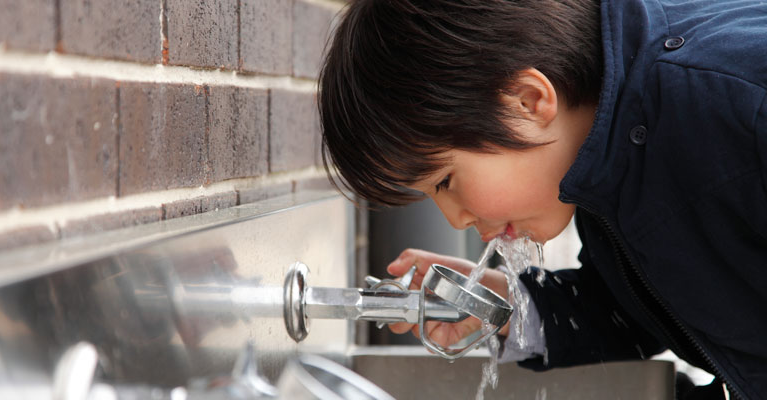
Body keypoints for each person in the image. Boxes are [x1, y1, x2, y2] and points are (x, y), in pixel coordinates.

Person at [317, 0, 767, 398]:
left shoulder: (735, 103)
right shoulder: (608, 147)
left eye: (446, 182)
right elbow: (649, 304)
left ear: (528, 101)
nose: (455, 220)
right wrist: (510, 307)